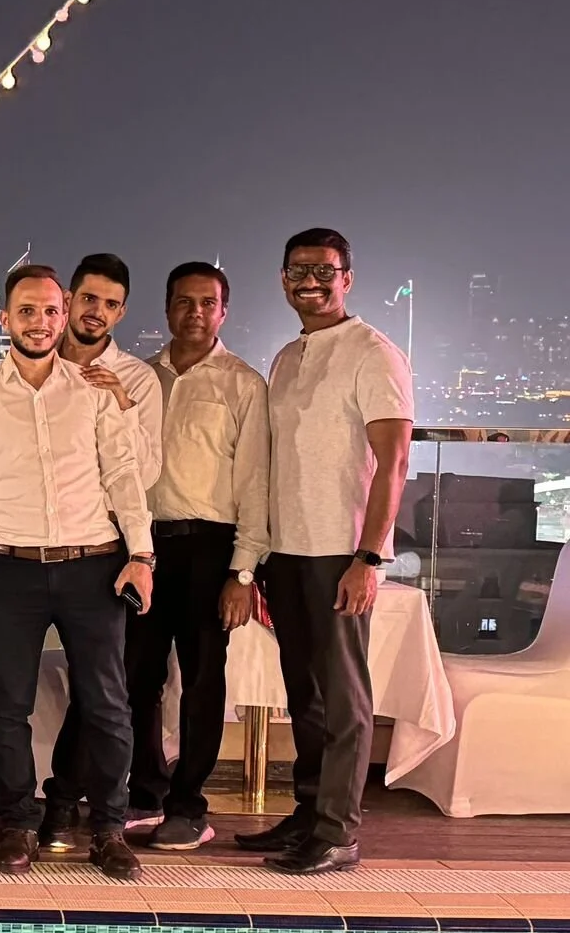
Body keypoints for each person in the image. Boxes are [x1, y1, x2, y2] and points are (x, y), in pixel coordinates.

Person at [0, 264, 156, 880]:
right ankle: (17, 823)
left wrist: (141, 555)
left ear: (64, 317)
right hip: (8, 567)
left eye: (51, 311)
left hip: (94, 565)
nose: (41, 322)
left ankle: (109, 828)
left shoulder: (93, 391)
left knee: (108, 703)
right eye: (27, 311)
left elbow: (123, 476)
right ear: (5, 320)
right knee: (6, 705)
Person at [240, 228, 412, 874]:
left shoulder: (374, 352)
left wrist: (369, 559)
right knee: (304, 694)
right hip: (287, 553)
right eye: (297, 270)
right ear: (284, 279)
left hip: (340, 553)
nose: (310, 281)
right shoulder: (287, 356)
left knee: (344, 699)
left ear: (348, 276)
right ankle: (308, 815)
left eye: (324, 270)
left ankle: (338, 832)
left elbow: (394, 461)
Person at [125, 264, 270, 851]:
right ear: (166, 309)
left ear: (223, 312)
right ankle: (145, 792)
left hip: (212, 548)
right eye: (183, 302)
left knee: (204, 681)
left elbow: (256, 483)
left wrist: (243, 572)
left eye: (206, 303)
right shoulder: (137, 379)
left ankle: (190, 804)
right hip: (142, 547)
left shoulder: (242, 384)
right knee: (136, 675)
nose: (194, 313)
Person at [40, 252, 167, 848]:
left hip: (108, 548)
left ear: (122, 311)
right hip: (31, 550)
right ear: (69, 297)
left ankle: (74, 803)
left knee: (103, 687)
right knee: (11, 685)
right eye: (88, 298)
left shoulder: (137, 379)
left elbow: (146, 471)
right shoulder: (34, 362)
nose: (97, 312)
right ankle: (43, 800)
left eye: (111, 304)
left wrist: (119, 403)